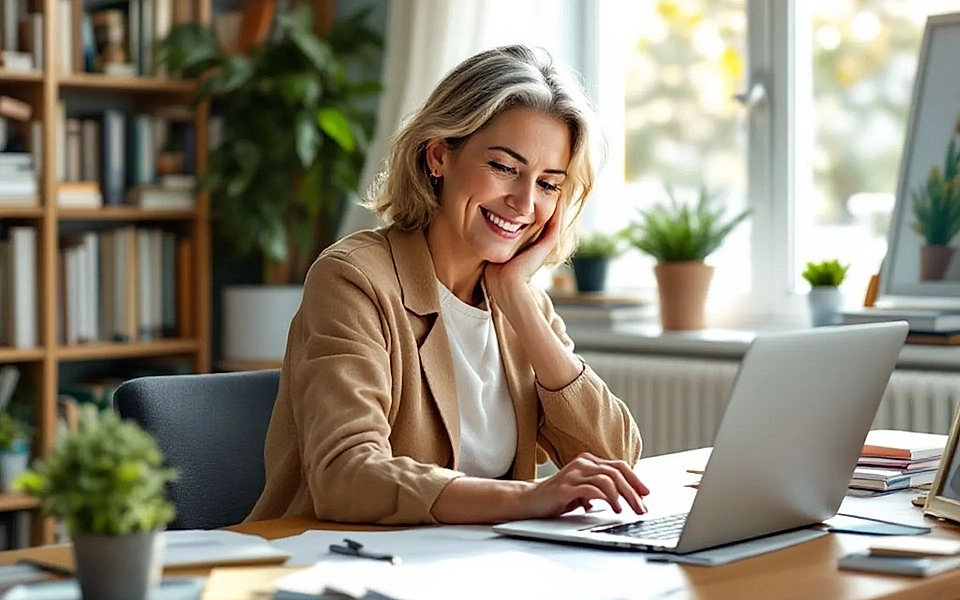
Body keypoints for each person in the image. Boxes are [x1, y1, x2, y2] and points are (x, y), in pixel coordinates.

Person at [246, 44, 648, 526]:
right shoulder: (353, 279)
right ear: (439, 156)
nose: (523, 202)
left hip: (478, 568)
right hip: (345, 568)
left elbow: (617, 459)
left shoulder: (520, 303)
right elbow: (344, 475)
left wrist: (519, 299)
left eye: (548, 184)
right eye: (504, 167)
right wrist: (525, 499)